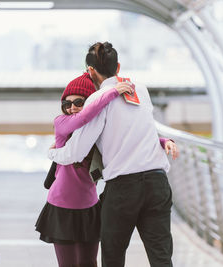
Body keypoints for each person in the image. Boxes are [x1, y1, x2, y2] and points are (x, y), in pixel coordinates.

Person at [48, 42, 177, 267]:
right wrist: (164, 141)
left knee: (113, 257)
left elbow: (75, 153)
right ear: (117, 67)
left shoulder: (97, 102)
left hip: (124, 189)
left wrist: (52, 153)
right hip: (158, 183)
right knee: (161, 257)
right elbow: (138, 133)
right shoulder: (142, 91)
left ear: (90, 71)